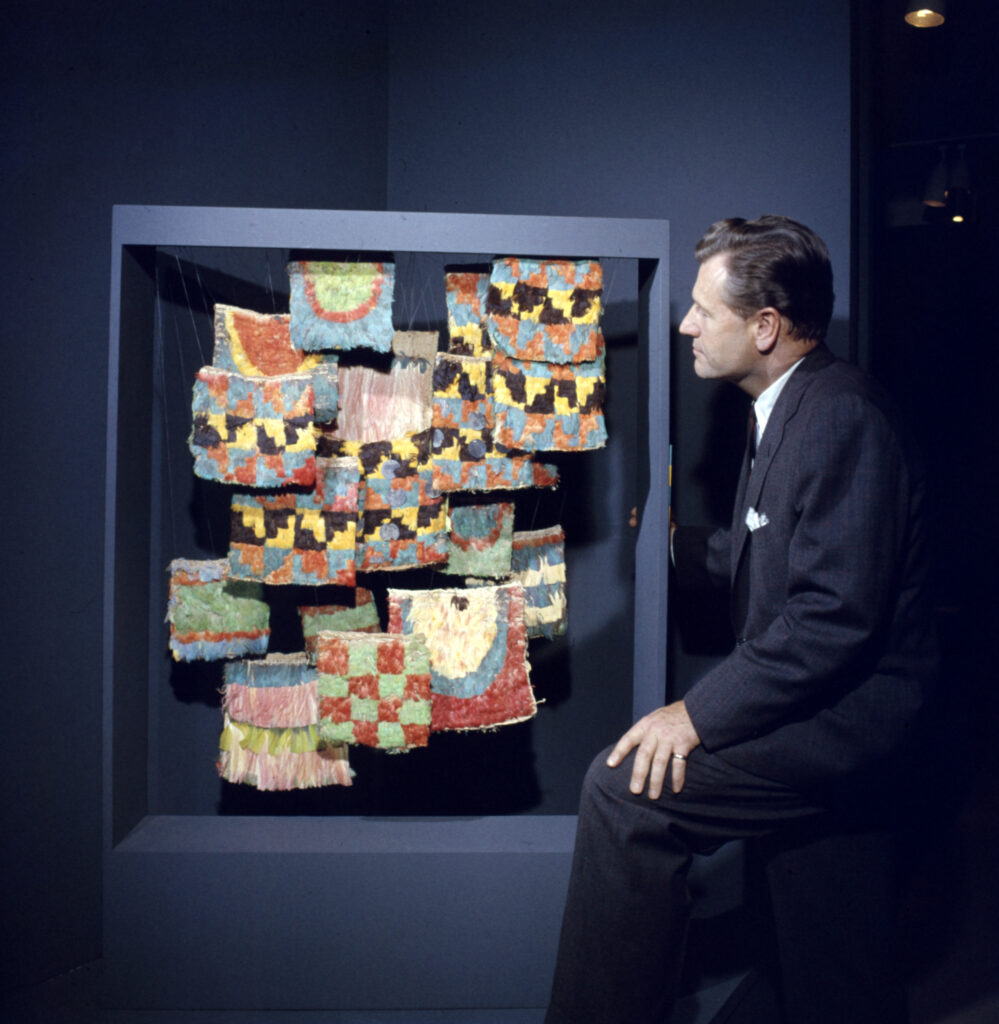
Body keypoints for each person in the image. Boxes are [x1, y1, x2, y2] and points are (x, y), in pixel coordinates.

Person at [545, 215, 937, 1024]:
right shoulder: (790, 406)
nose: (685, 324)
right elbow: (778, 550)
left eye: (701, 310)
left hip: (849, 722)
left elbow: (832, 617)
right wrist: (679, 547)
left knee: (624, 794)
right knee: (836, 964)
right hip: (829, 708)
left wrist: (694, 714)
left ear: (763, 327)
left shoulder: (840, 417)